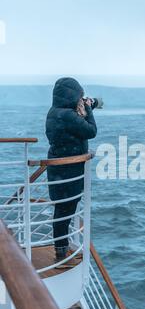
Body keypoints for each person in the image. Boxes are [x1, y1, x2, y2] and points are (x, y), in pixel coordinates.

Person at [46, 77, 97, 261]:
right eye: (80, 96)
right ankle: (61, 252)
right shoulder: (67, 115)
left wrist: (81, 111)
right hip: (69, 171)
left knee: (62, 211)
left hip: (59, 170)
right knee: (65, 211)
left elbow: (70, 134)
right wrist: (89, 109)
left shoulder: (54, 112)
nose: (81, 99)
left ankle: (62, 248)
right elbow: (91, 131)